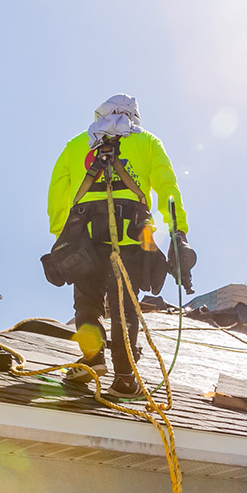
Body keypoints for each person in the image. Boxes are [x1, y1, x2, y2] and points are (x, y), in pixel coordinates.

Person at [45, 94, 195, 397]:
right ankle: (125, 377)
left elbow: (58, 193)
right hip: (131, 240)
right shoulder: (148, 143)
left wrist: (62, 237)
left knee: (87, 303)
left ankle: (93, 358)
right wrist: (178, 232)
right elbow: (168, 189)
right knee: (124, 307)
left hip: (85, 240)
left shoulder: (78, 145)